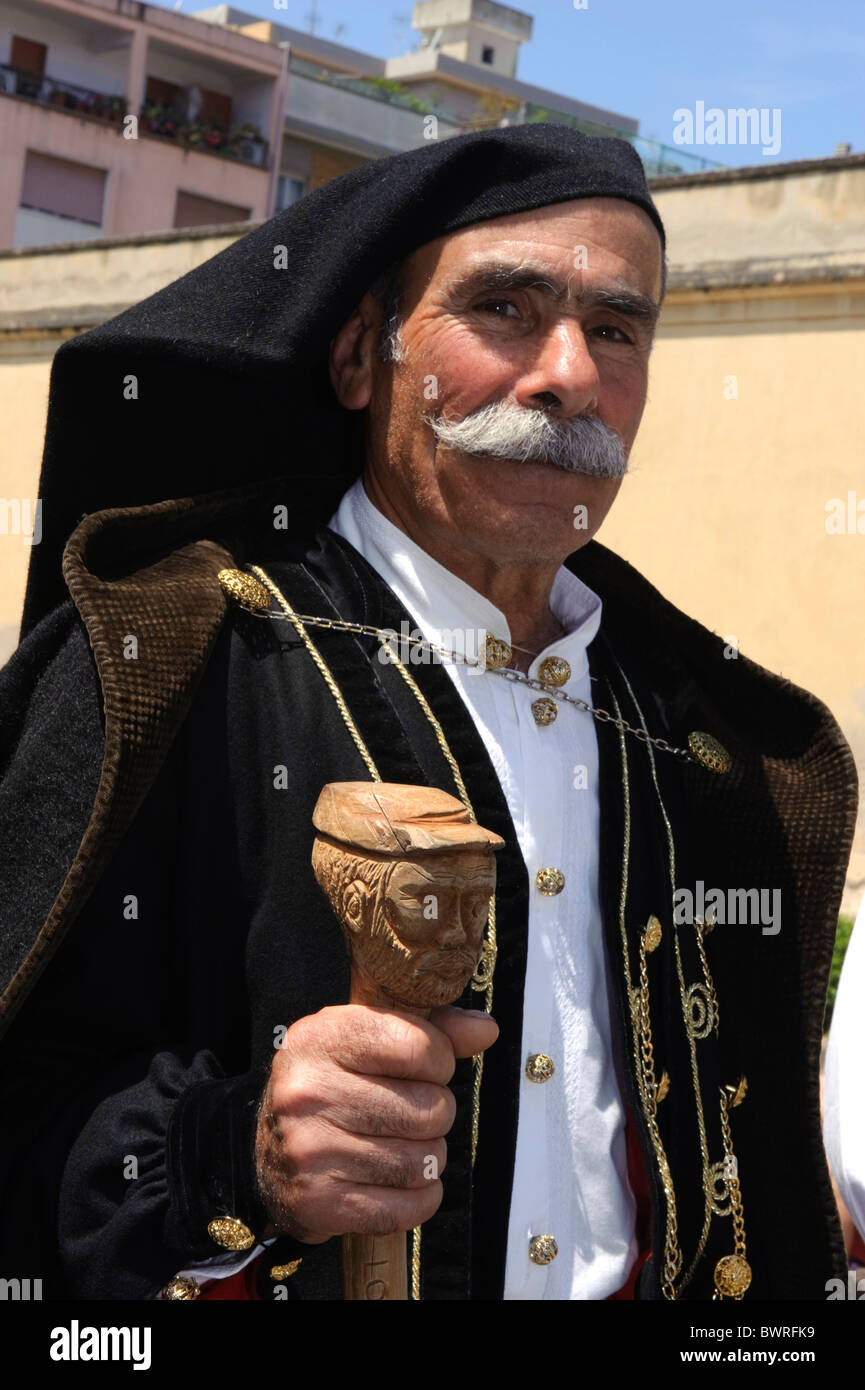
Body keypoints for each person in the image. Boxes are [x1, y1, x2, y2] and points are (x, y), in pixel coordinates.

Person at [0, 124, 857, 1302]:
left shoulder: (707, 736)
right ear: (361, 357)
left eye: (616, 327)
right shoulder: (171, 662)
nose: (570, 372)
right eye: (506, 308)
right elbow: (25, 1107)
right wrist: (232, 1150)